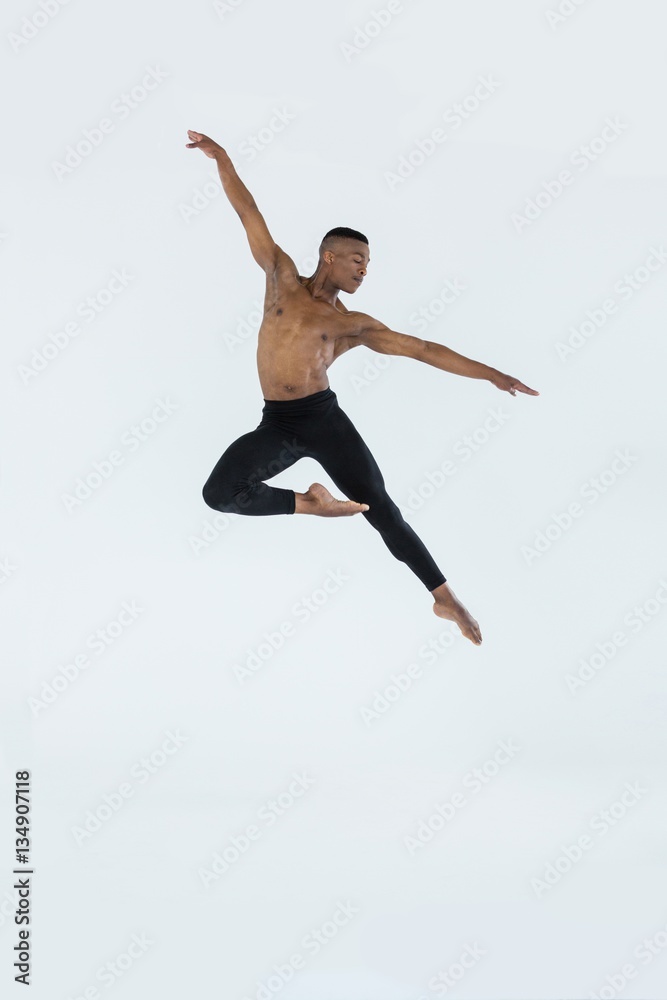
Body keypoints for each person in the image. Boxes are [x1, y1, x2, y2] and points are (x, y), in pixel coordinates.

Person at [186, 130, 539, 645]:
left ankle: (444, 597)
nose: (364, 271)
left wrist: (491, 373)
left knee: (380, 507)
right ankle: (311, 504)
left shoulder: (354, 324)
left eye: (368, 266)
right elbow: (248, 213)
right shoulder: (280, 279)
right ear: (330, 256)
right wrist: (222, 159)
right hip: (278, 424)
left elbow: (422, 349)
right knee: (219, 494)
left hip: (322, 420)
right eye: (358, 261)